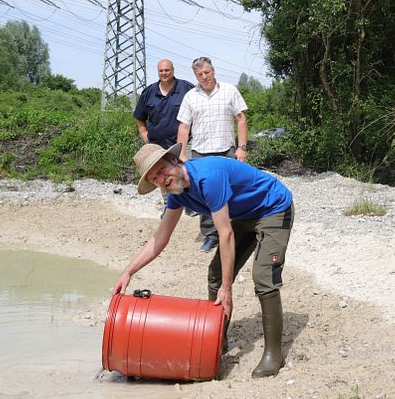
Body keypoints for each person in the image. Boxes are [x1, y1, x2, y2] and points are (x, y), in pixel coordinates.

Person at [112, 142, 294, 378]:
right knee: (216, 275)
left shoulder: (209, 178)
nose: (161, 178)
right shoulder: (177, 195)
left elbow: (225, 233)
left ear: (175, 161)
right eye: (155, 177)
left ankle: (273, 354)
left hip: (272, 208)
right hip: (241, 214)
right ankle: (217, 339)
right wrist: (128, 272)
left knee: (263, 276)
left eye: (161, 169)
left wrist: (227, 290)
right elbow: (160, 238)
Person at [177, 57, 250, 253]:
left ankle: (234, 230)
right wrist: (181, 153)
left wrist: (242, 148)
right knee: (203, 195)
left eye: (207, 72)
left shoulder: (229, 90)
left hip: (226, 150)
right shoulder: (190, 96)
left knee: (231, 191)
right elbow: (184, 126)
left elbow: (241, 119)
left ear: (213, 71)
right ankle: (210, 235)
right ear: (195, 76)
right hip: (200, 152)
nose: (204, 77)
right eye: (200, 74)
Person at [133, 59, 194, 149]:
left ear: (173, 70)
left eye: (167, 70)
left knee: (184, 163)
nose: (164, 73)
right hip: (155, 147)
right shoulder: (149, 92)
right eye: (161, 70)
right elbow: (139, 117)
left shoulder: (187, 89)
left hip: (183, 146)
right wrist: (145, 136)